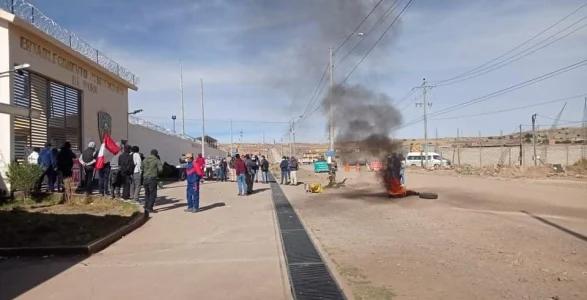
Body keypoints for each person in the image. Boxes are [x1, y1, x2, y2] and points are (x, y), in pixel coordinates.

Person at [142, 149, 163, 213]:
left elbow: (141, 168)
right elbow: (160, 169)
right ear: (156, 154)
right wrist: (156, 173)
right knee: (153, 194)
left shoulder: (145, 160)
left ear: (150, 153)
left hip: (145, 178)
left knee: (147, 193)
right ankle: (150, 208)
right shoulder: (157, 160)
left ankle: (146, 206)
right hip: (152, 178)